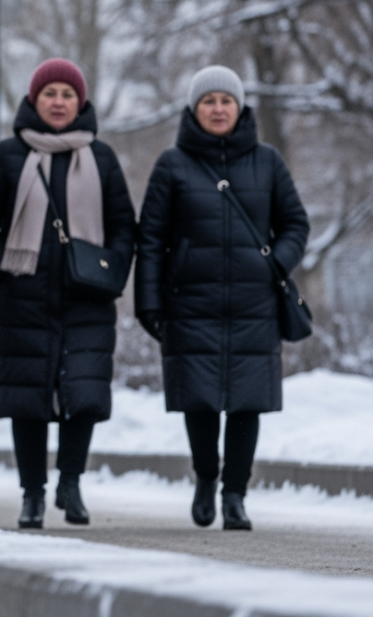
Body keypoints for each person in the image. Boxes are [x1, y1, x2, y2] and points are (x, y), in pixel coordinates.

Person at [135, 65, 309, 530]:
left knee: (248, 403)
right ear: (194, 110)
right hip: (191, 302)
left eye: (225, 101)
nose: (217, 109)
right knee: (201, 401)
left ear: (239, 107)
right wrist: (148, 302)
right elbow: (150, 238)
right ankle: (206, 479)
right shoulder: (172, 165)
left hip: (254, 304)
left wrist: (275, 262)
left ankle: (235, 495)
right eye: (208, 101)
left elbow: (295, 223)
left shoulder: (267, 161)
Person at [0, 58, 136, 529]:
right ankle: (32, 495)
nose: (59, 102)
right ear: (34, 100)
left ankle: (71, 482)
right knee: (28, 400)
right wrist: (0, 270)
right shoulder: (7, 155)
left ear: (80, 101)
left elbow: (125, 224)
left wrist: (114, 270)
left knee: (82, 394)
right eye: (50, 94)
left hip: (87, 297)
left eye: (68, 94)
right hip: (22, 296)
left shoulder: (101, 157)